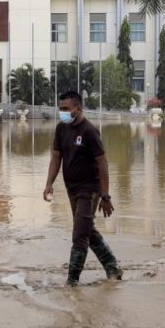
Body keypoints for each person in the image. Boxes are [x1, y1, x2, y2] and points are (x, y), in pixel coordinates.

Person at [43, 90, 122, 286]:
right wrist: (49, 183)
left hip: (90, 189)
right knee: (87, 229)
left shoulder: (89, 131)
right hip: (72, 188)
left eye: (66, 109)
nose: (62, 112)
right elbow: (56, 157)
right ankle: (112, 266)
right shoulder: (61, 129)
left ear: (78, 109)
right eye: (60, 108)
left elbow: (102, 163)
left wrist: (105, 195)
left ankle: (71, 282)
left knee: (79, 235)